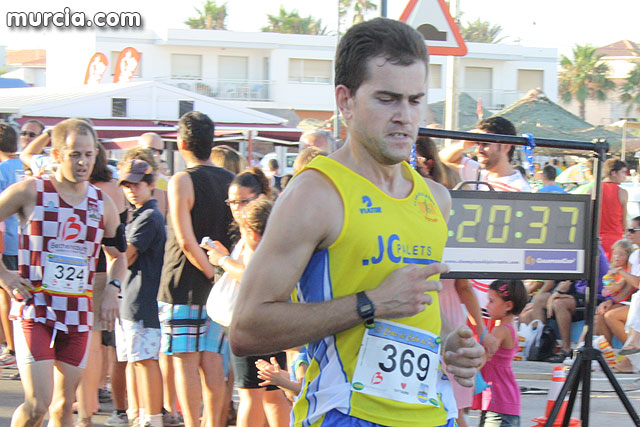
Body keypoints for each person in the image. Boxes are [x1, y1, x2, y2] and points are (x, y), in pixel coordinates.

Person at [230, 18, 484, 427]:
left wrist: (450, 341)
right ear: (345, 101)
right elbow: (246, 329)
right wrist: (370, 303)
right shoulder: (316, 194)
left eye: (415, 100)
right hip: (345, 414)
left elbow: (411, 303)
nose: (404, 116)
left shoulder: (436, 198)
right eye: (387, 99)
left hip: (431, 416)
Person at [0, 118, 127, 427]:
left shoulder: (102, 203)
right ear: (56, 155)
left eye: (88, 154)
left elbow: (118, 256)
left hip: (77, 313)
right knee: (37, 404)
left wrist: (113, 288)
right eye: (75, 154)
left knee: (63, 406)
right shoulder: (30, 191)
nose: (83, 162)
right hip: (35, 308)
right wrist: (4, 275)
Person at [156, 111, 234, 427]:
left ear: (182, 143)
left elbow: (186, 241)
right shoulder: (230, 181)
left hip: (184, 282)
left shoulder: (182, 180)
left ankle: (192, 422)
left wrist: (210, 273)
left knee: (185, 361)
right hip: (221, 280)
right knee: (212, 360)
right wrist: (218, 274)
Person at [415, 134, 492, 427]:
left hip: (428, 315)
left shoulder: (425, 213)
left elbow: (464, 286)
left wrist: (480, 328)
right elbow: (464, 287)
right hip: (450, 317)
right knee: (454, 406)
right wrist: (480, 328)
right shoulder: (449, 216)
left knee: (445, 407)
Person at [205, 195, 290, 427]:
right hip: (275, 325)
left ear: (251, 232)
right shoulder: (282, 246)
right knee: (274, 392)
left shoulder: (257, 250)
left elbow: (249, 277)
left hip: (250, 326)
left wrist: (222, 260)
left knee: (250, 395)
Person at [77, 142, 129, 427]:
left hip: (96, 271)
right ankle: (90, 399)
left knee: (90, 342)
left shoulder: (93, 193)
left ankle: (86, 404)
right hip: (110, 271)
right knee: (101, 343)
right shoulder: (114, 190)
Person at [116, 158, 167, 427]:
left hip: (143, 298)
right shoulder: (137, 214)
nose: (131, 190)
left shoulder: (149, 216)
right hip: (131, 296)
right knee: (135, 359)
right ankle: (142, 414)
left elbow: (128, 255)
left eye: (136, 184)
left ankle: (153, 416)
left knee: (145, 359)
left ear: (150, 184)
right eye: (127, 185)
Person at [472, 280, 527, 427]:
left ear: (508, 305)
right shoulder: (509, 327)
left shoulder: (501, 330)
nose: (487, 306)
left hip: (499, 401)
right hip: (502, 400)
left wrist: (465, 372)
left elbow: (485, 355)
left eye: (491, 301)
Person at [0, 123, 24, 370]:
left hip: (7, 241)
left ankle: (12, 348)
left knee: (7, 293)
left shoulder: (2, 170)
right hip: (28, 241)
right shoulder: (26, 165)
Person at [595, 239, 635, 347]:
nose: (617, 257)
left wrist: (610, 298)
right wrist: (607, 292)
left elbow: (621, 289)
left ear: (628, 257)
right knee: (599, 316)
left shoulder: (627, 272)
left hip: (626, 301)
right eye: (616, 253)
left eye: (621, 254)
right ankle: (608, 350)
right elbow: (606, 291)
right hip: (615, 300)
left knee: (608, 314)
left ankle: (630, 348)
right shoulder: (612, 271)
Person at [599, 158, 628, 260]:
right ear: (614, 173)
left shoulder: (593, 190)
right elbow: (624, 219)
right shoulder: (622, 192)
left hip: (597, 239)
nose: (625, 176)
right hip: (616, 239)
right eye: (623, 172)